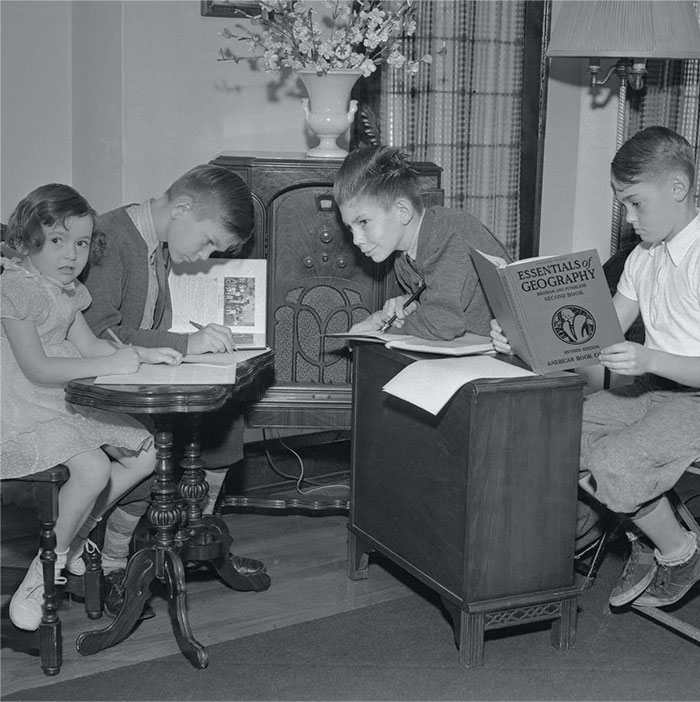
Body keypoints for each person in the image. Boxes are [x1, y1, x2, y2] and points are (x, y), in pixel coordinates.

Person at [491, 126, 700, 608]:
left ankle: (679, 550)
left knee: (613, 460)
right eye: (621, 205)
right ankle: (645, 534)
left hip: (693, 401)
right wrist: (519, 337)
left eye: (635, 203)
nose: (628, 218)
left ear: (678, 188)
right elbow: (597, 334)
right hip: (652, 391)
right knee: (557, 432)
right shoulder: (644, 258)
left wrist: (649, 357)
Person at [80, 164, 269, 613]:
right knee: (152, 444)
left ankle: (197, 532)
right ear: (181, 208)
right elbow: (97, 331)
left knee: (227, 413)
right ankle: (111, 562)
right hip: (104, 387)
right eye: (207, 241)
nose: (205, 254)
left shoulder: (157, 242)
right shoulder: (110, 238)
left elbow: (148, 325)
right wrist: (184, 344)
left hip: (139, 378)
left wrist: (189, 347)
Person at [1, 183, 181, 631]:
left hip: (61, 396)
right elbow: (38, 368)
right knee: (94, 471)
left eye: (81, 243)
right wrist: (113, 361)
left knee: (149, 455)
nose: (71, 255)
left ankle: (76, 530)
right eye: (58, 241)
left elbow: (87, 344)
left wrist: (139, 355)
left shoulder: (67, 290)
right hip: (22, 400)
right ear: (26, 241)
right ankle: (43, 573)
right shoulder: (14, 288)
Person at [334, 145, 511, 339]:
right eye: (350, 227)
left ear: (403, 212)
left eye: (363, 222)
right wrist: (410, 303)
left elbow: (442, 324)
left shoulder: (448, 234)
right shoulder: (404, 257)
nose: (356, 240)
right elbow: (440, 299)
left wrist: (380, 325)